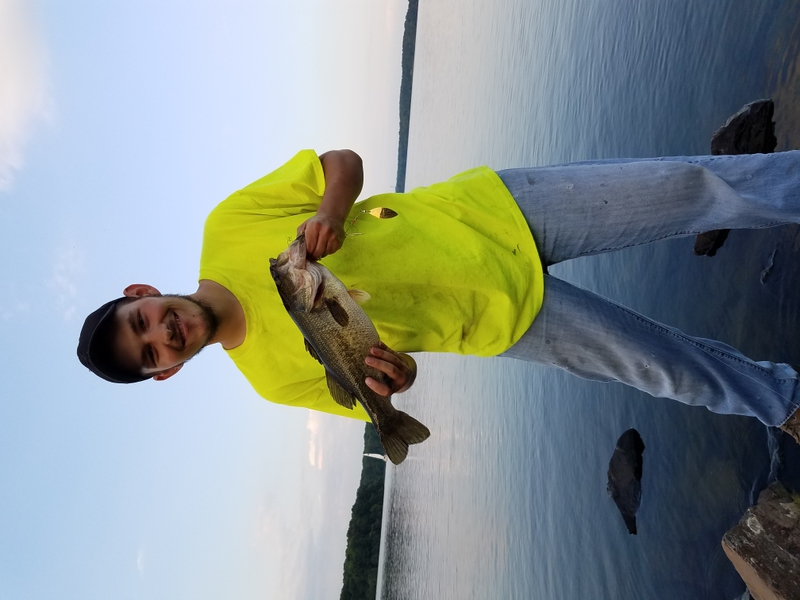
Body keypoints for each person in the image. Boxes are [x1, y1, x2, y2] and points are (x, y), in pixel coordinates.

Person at [77, 149, 800, 442]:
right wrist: (395, 381)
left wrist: (330, 211)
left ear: (141, 292)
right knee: (666, 370)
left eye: (143, 320)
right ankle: (786, 405)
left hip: (492, 210)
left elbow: (340, 162)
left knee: (694, 188)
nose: (162, 332)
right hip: (495, 320)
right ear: (165, 372)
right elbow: (375, 384)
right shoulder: (269, 380)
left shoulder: (227, 225)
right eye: (151, 353)